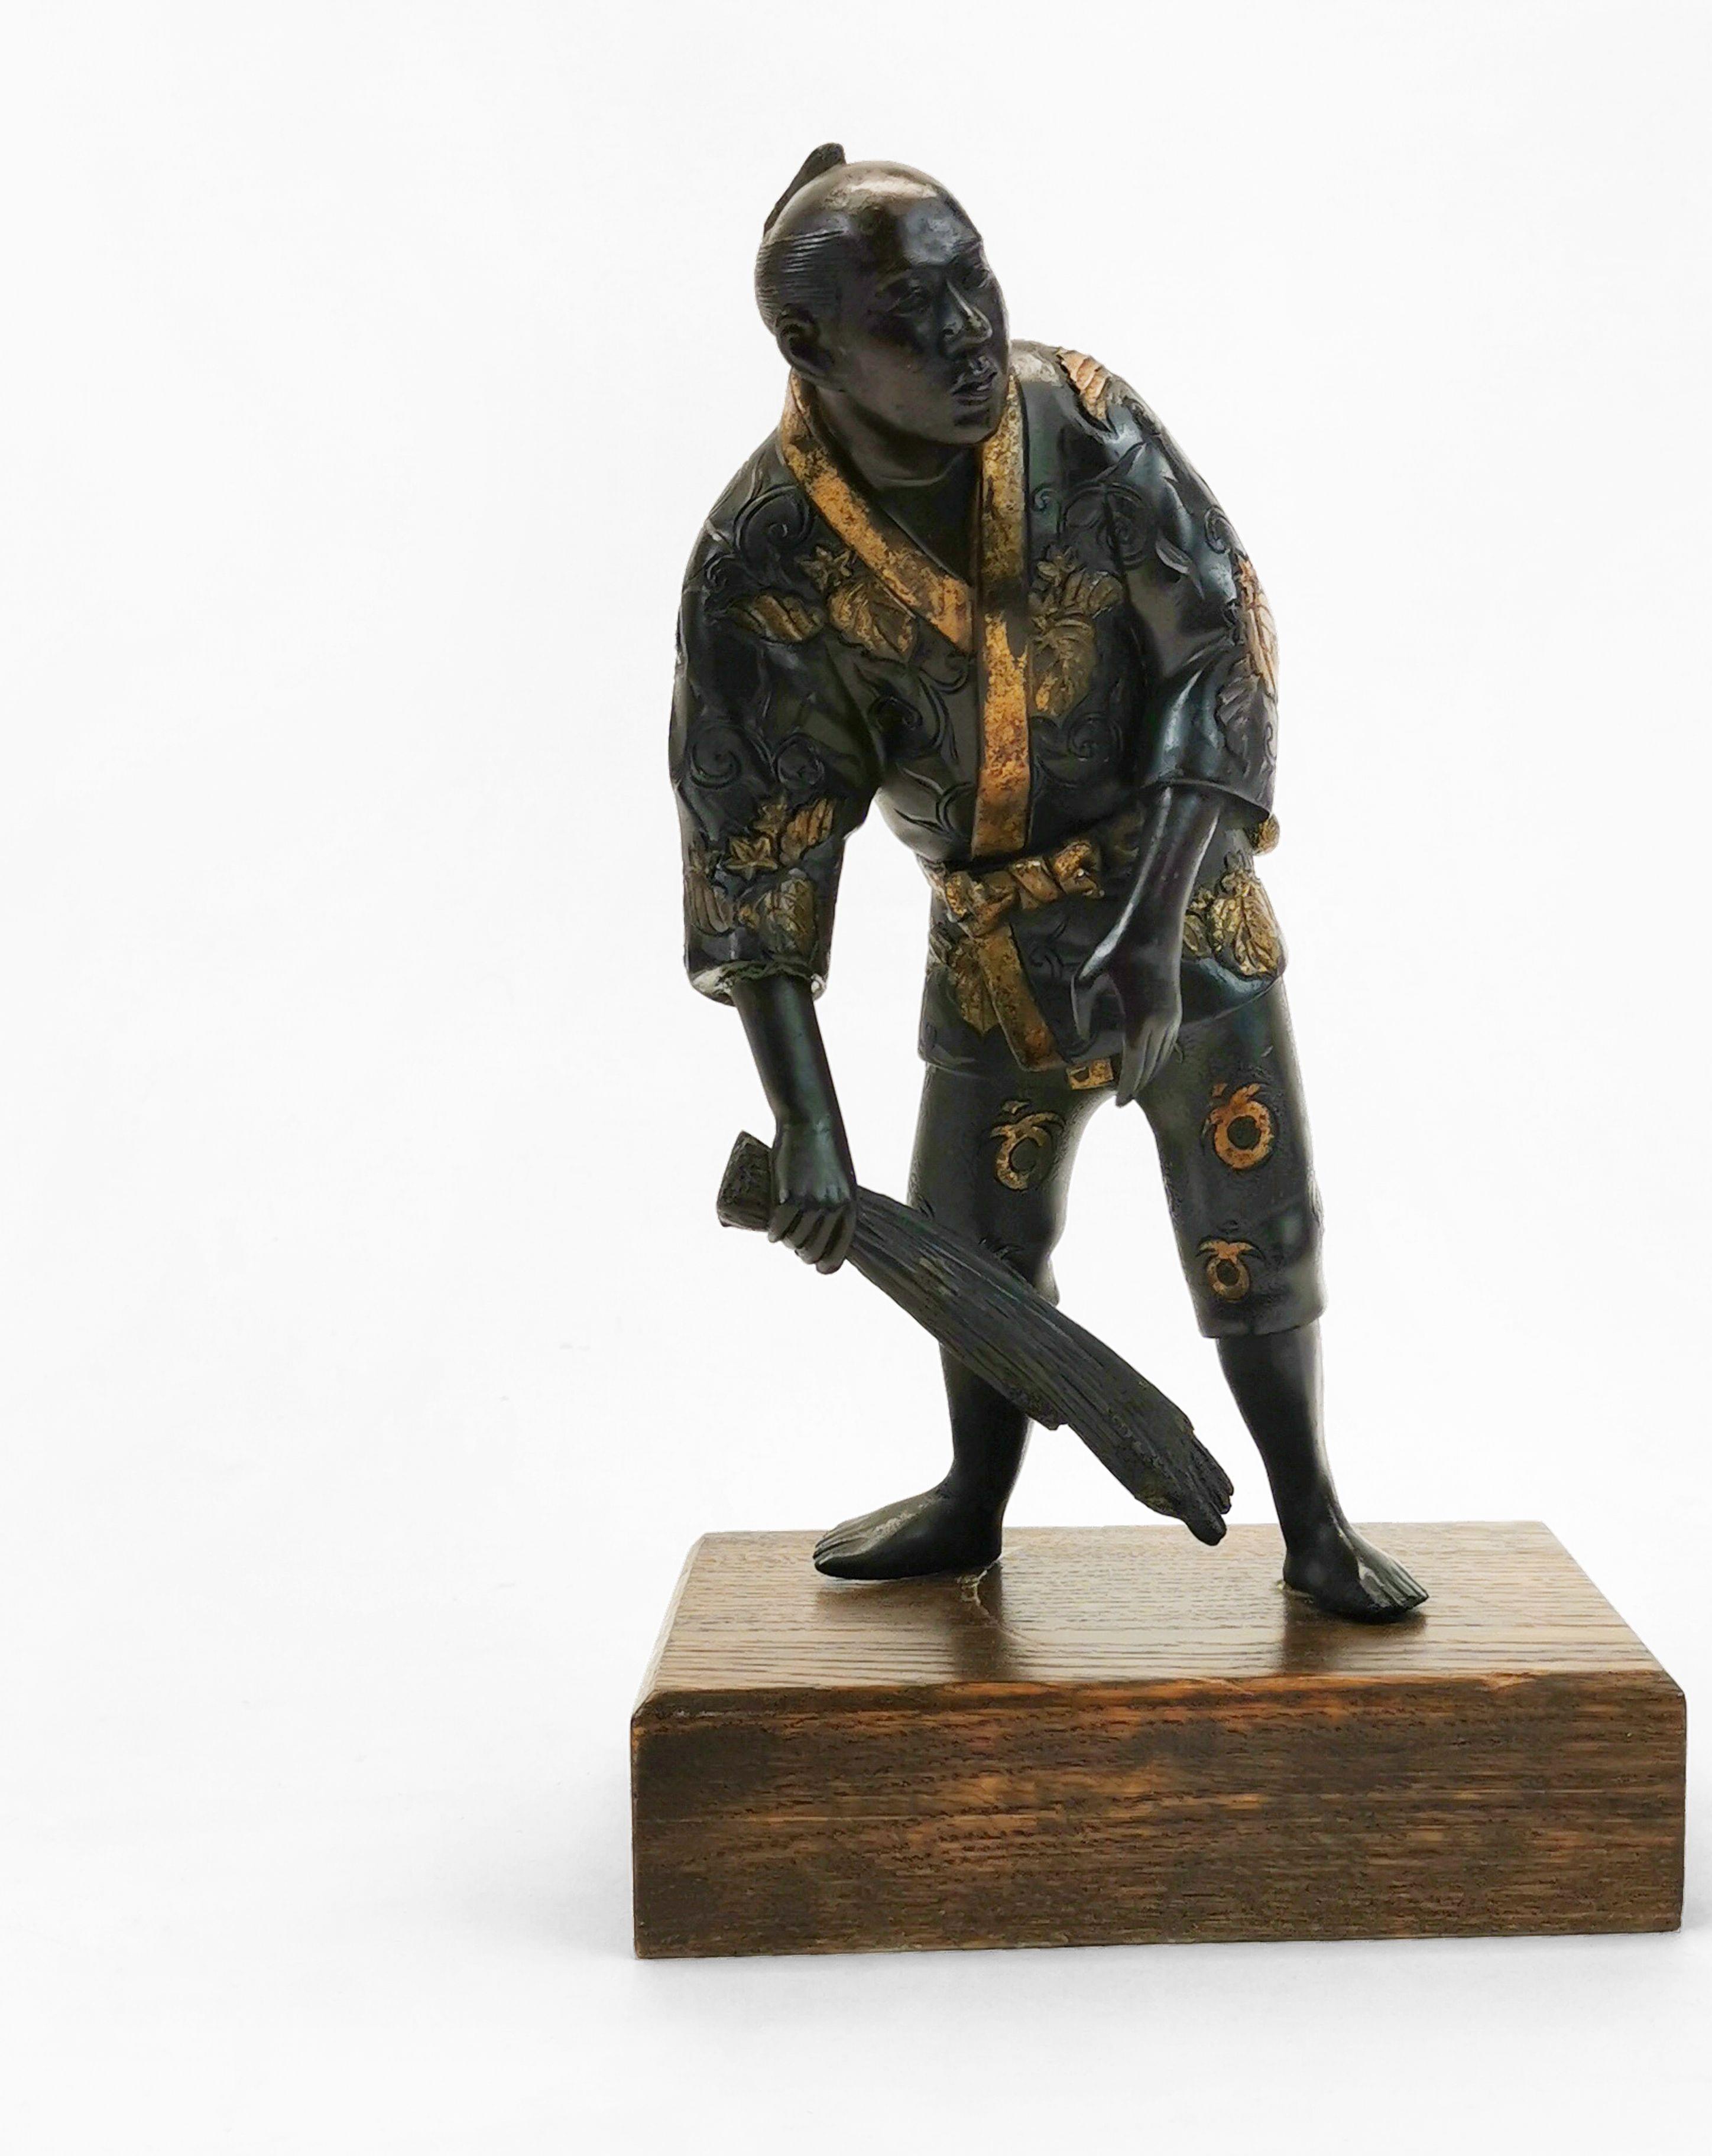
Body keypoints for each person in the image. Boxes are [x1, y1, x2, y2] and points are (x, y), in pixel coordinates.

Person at [671, 145, 1425, 1619]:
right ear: (811, 348)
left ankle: (1313, 1518)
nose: (969, 334)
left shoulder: (1080, 421)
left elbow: (1219, 642)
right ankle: (973, 1498)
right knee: (975, 1249)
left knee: (1256, 1222)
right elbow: (753, 838)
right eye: (914, 313)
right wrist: (805, 1117)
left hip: (1185, 896)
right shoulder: (759, 561)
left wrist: (1148, 936)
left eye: (977, 284)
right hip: (994, 943)